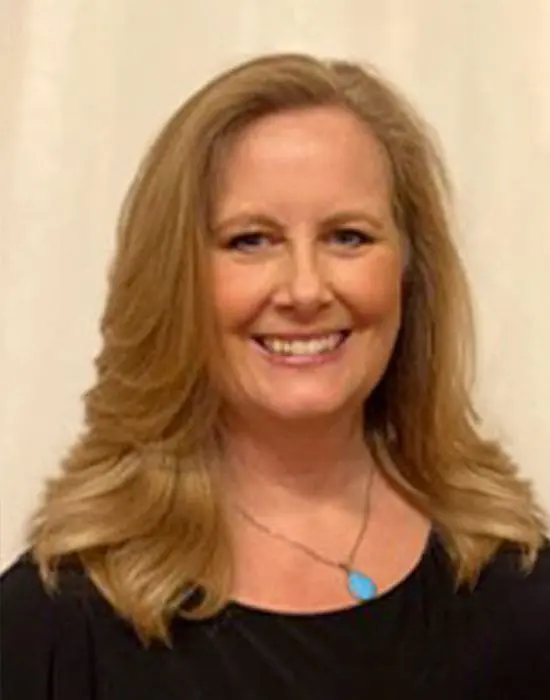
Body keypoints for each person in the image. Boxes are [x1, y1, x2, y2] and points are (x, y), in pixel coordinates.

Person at [1, 52, 549, 700]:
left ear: (409, 273)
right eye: (250, 240)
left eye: (348, 237)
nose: (306, 289)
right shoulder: (58, 623)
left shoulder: (517, 590)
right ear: (174, 281)